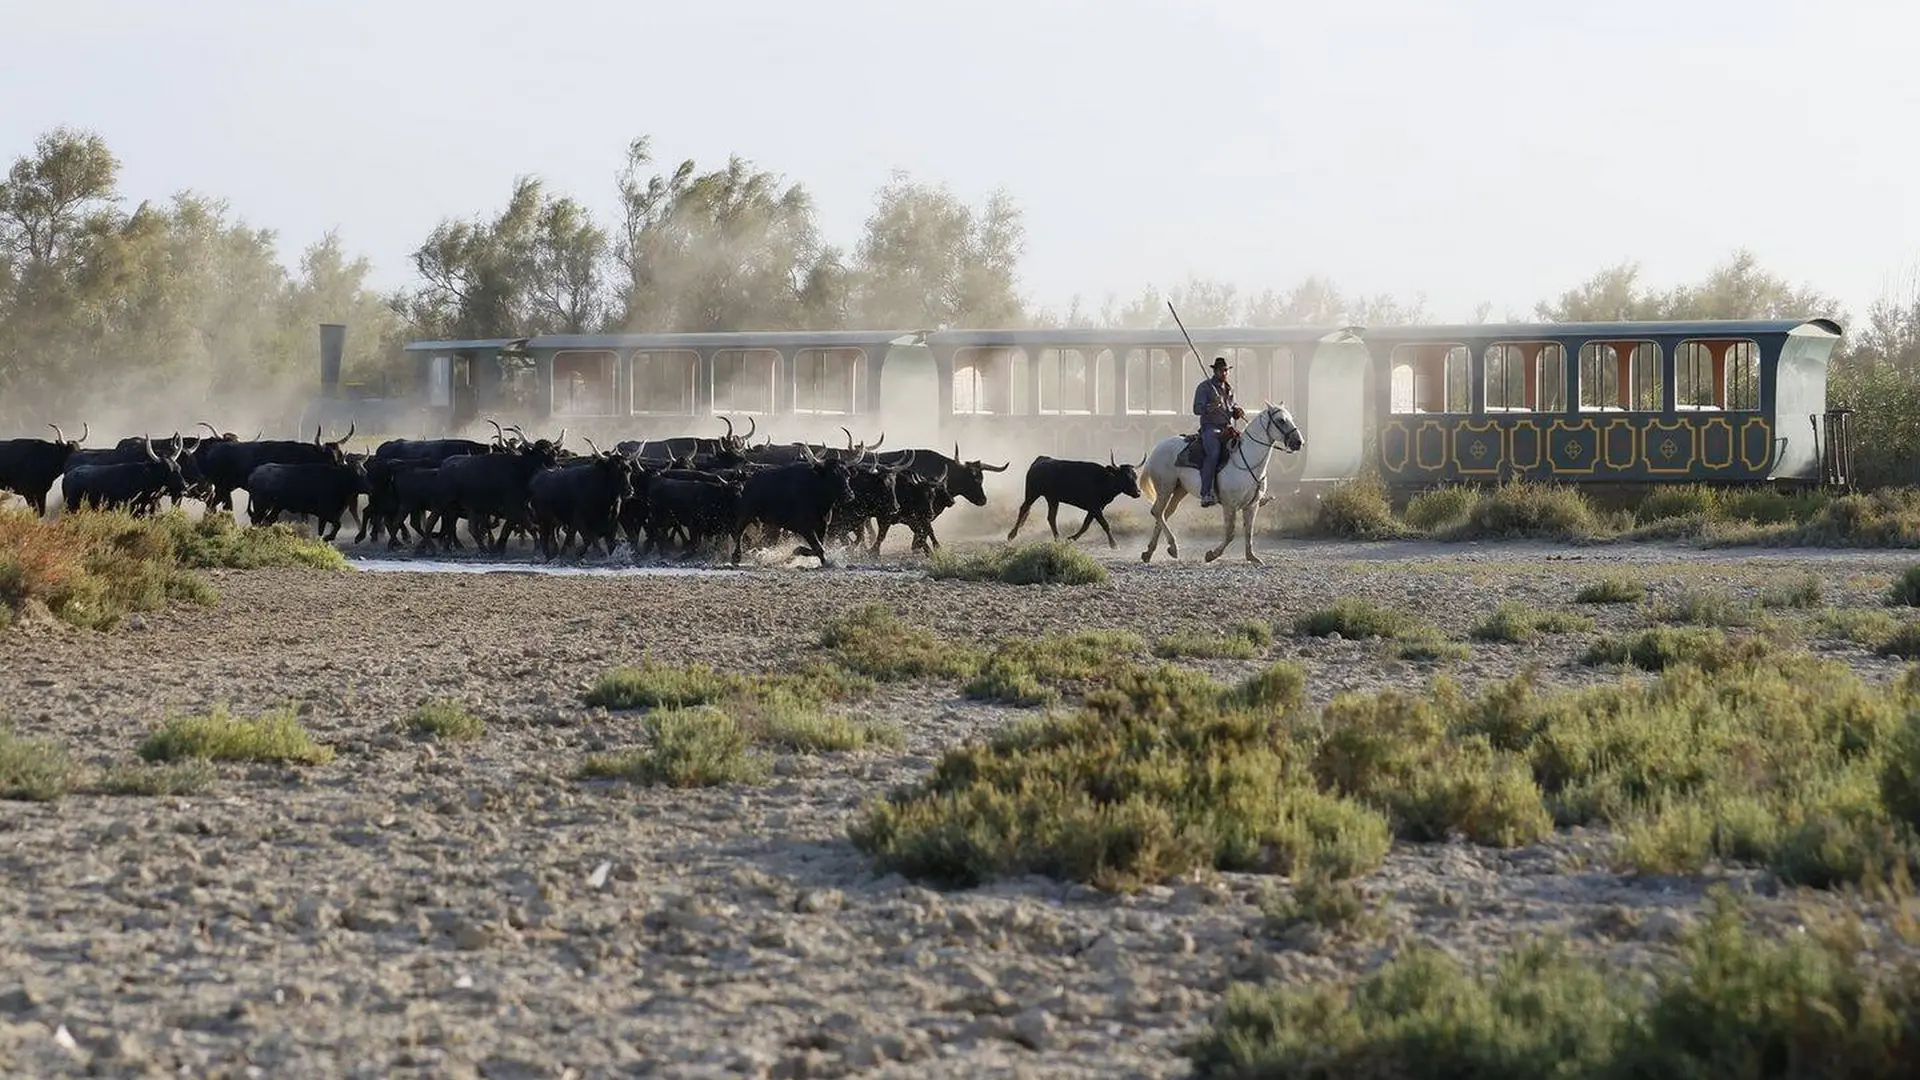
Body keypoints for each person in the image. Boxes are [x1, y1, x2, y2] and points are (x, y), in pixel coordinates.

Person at [1192, 356, 1245, 507]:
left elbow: (1231, 407)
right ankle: (1206, 493)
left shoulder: (1229, 389)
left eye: (1226, 370)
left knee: (1244, 449)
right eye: (1222, 370)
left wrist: (1237, 411)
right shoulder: (1204, 387)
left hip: (1227, 428)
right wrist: (1212, 406)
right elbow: (1196, 409)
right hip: (1210, 428)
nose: (1224, 373)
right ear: (1215, 371)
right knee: (1213, 453)